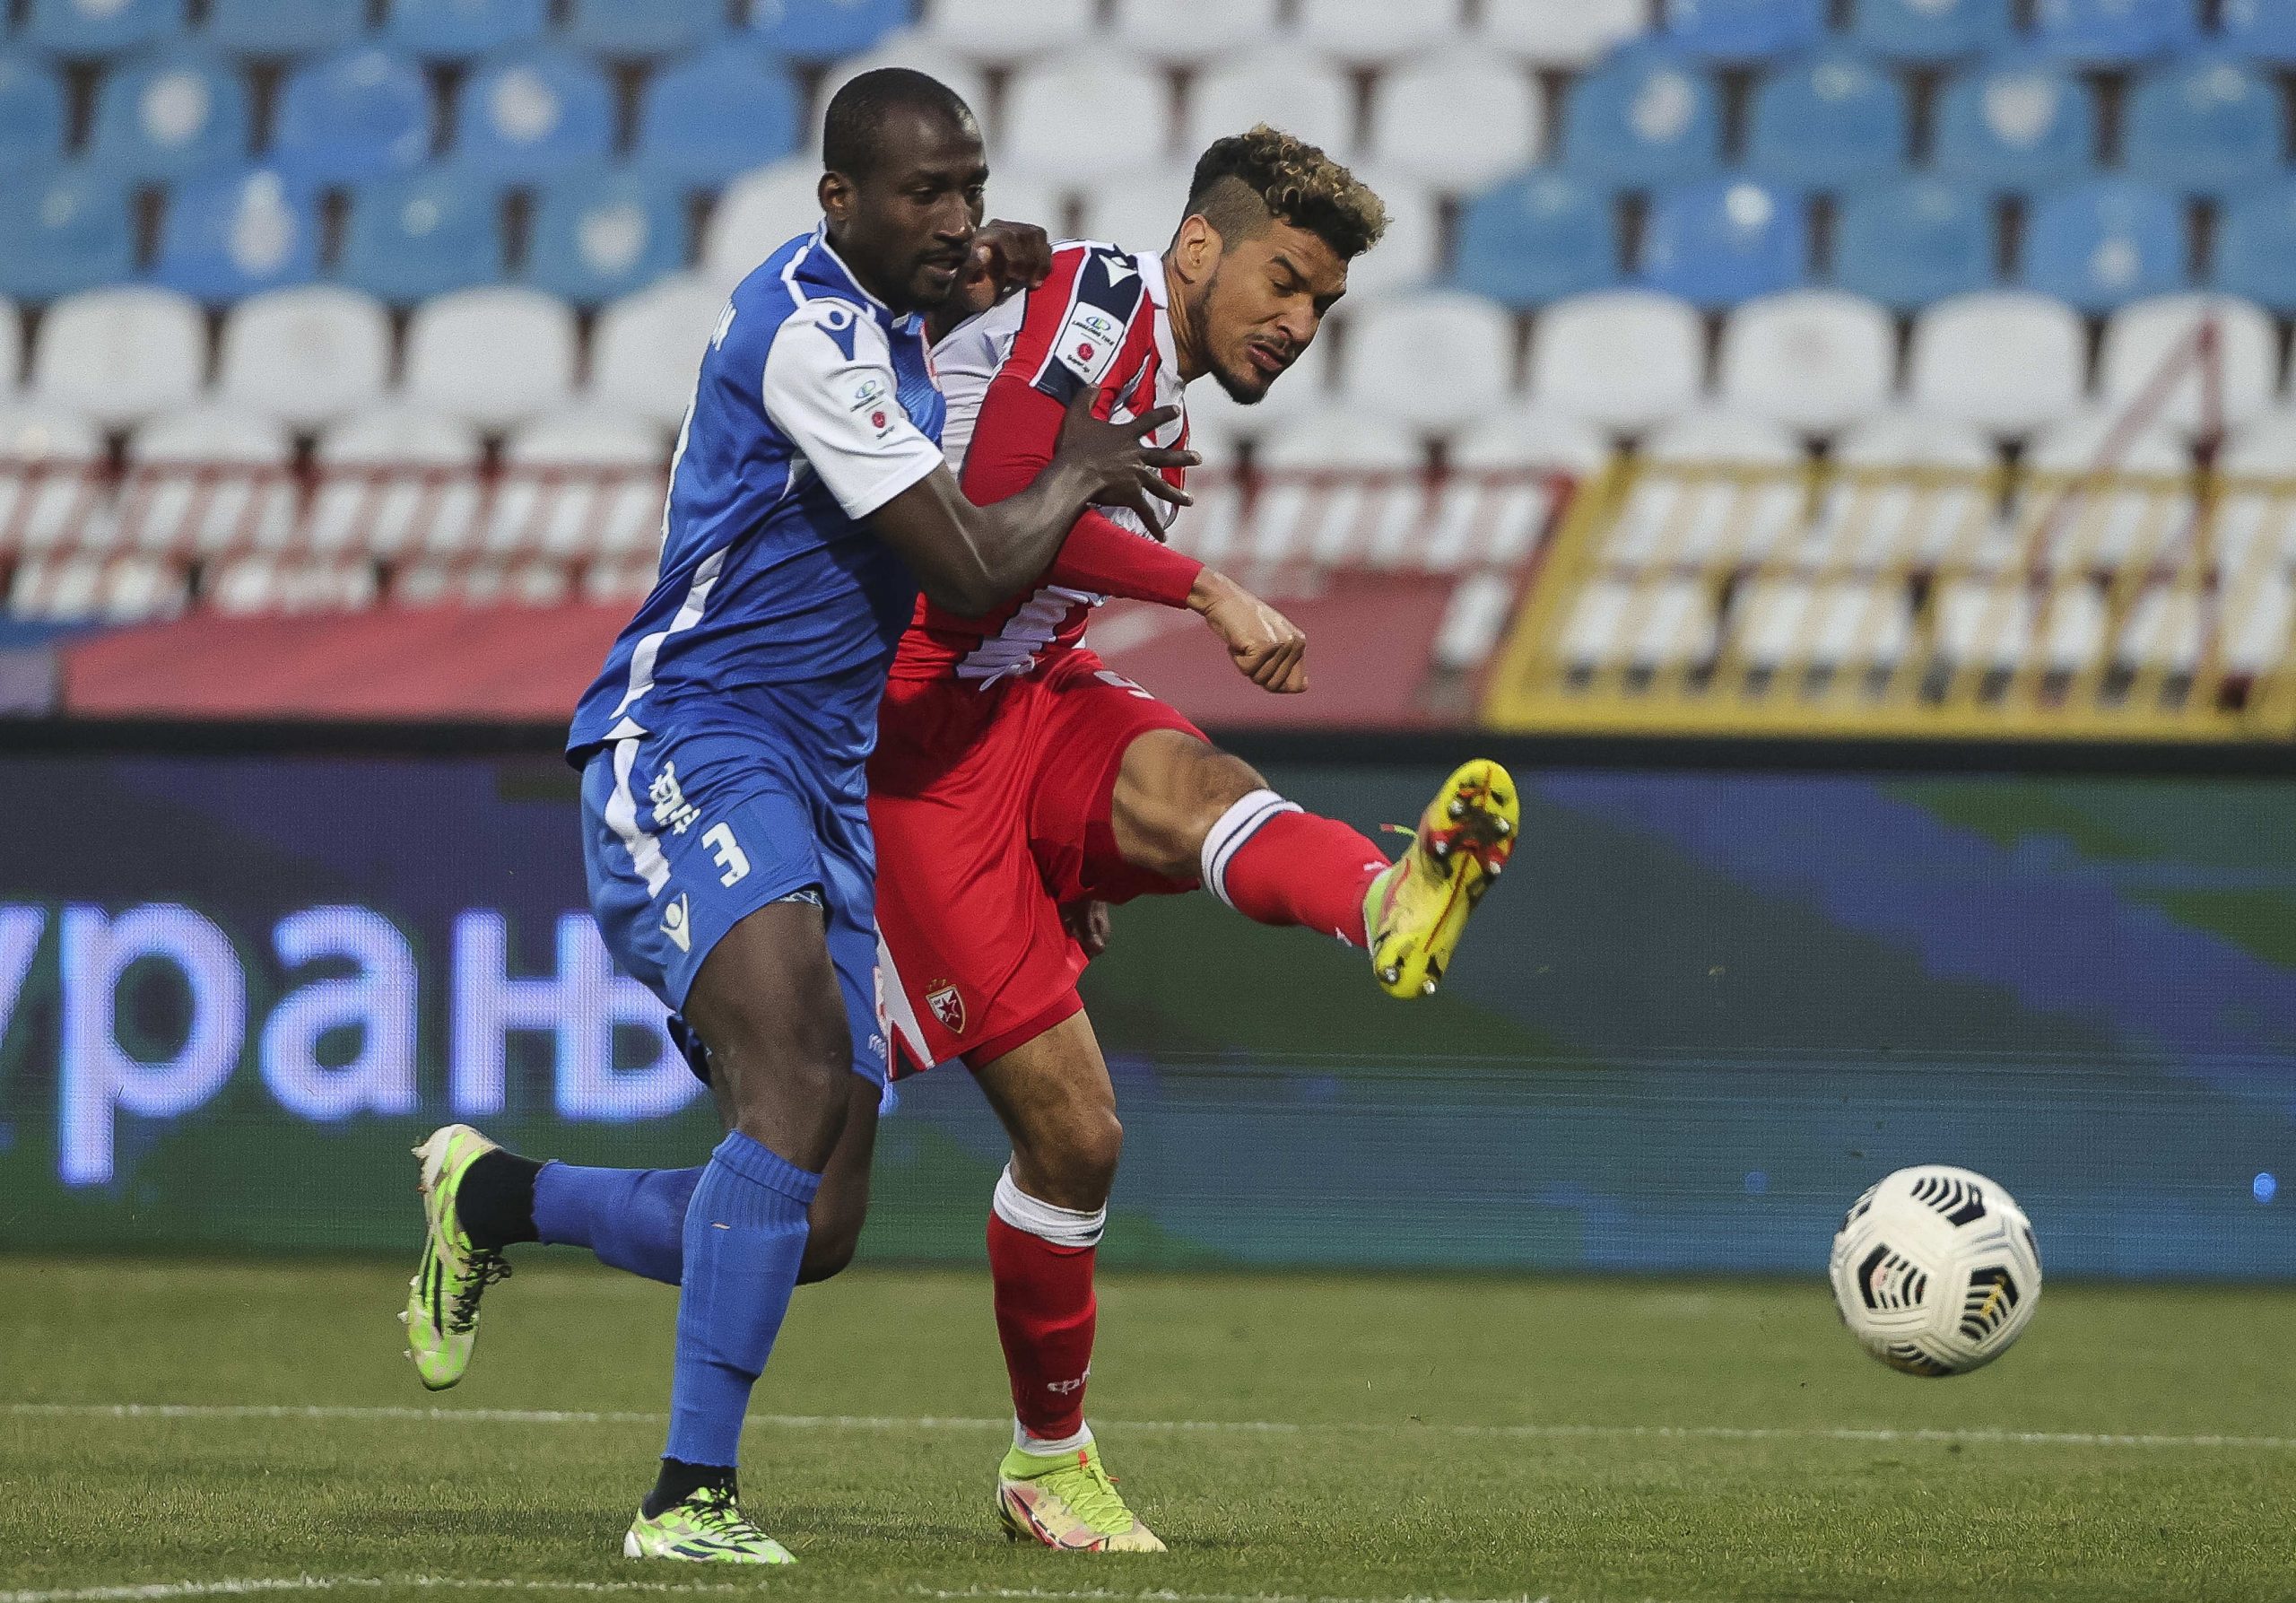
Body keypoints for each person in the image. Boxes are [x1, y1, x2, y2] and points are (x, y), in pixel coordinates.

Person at [405, 125, 1518, 1557]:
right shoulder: (1102, 309)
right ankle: (512, 1213)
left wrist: (1070, 844)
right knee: (849, 1202)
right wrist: (1206, 589)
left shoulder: (1142, 380)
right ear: (1200, 248)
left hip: (1011, 709)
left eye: (1324, 306)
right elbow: (993, 514)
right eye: (1287, 283)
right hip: (906, 761)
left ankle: (1383, 902)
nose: (1299, 325)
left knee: (1191, 794)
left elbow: (1027, 572)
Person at [399, 66, 1192, 1566]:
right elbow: (964, 567)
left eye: (970, 183)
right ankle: (687, 1501)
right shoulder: (811, 332)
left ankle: (490, 1195)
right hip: (693, 737)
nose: (956, 216)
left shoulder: (893, 304)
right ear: (838, 200)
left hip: (823, 771)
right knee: (793, 1084)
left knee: (817, 1222)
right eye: (924, 193)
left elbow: (963, 278)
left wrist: (982, 258)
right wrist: (1085, 464)